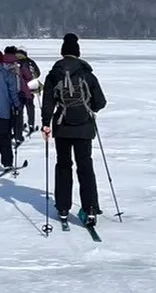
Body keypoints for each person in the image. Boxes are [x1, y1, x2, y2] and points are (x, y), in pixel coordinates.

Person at [41, 33, 107, 227]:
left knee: (63, 165)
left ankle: (62, 208)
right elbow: (100, 102)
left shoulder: (54, 74)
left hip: (62, 127)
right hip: (84, 128)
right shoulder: (87, 74)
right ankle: (91, 208)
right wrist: (89, 109)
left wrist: (45, 124)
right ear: (78, 53)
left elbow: (47, 103)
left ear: (62, 53)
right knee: (85, 166)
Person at [3, 47, 27, 147]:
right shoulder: (17, 64)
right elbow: (24, 77)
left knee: (7, 117)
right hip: (17, 94)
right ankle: (18, 135)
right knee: (18, 116)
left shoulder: (1, 64)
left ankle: (7, 135)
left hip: (3, 96)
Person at [15, 46, 41, 134]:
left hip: (17, 89)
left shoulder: (15, 62)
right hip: (29, 88)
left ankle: (20, 124)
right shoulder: (30, 62)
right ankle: (31, 124)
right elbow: (38, 73)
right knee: (30, 107)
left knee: (20, 108)